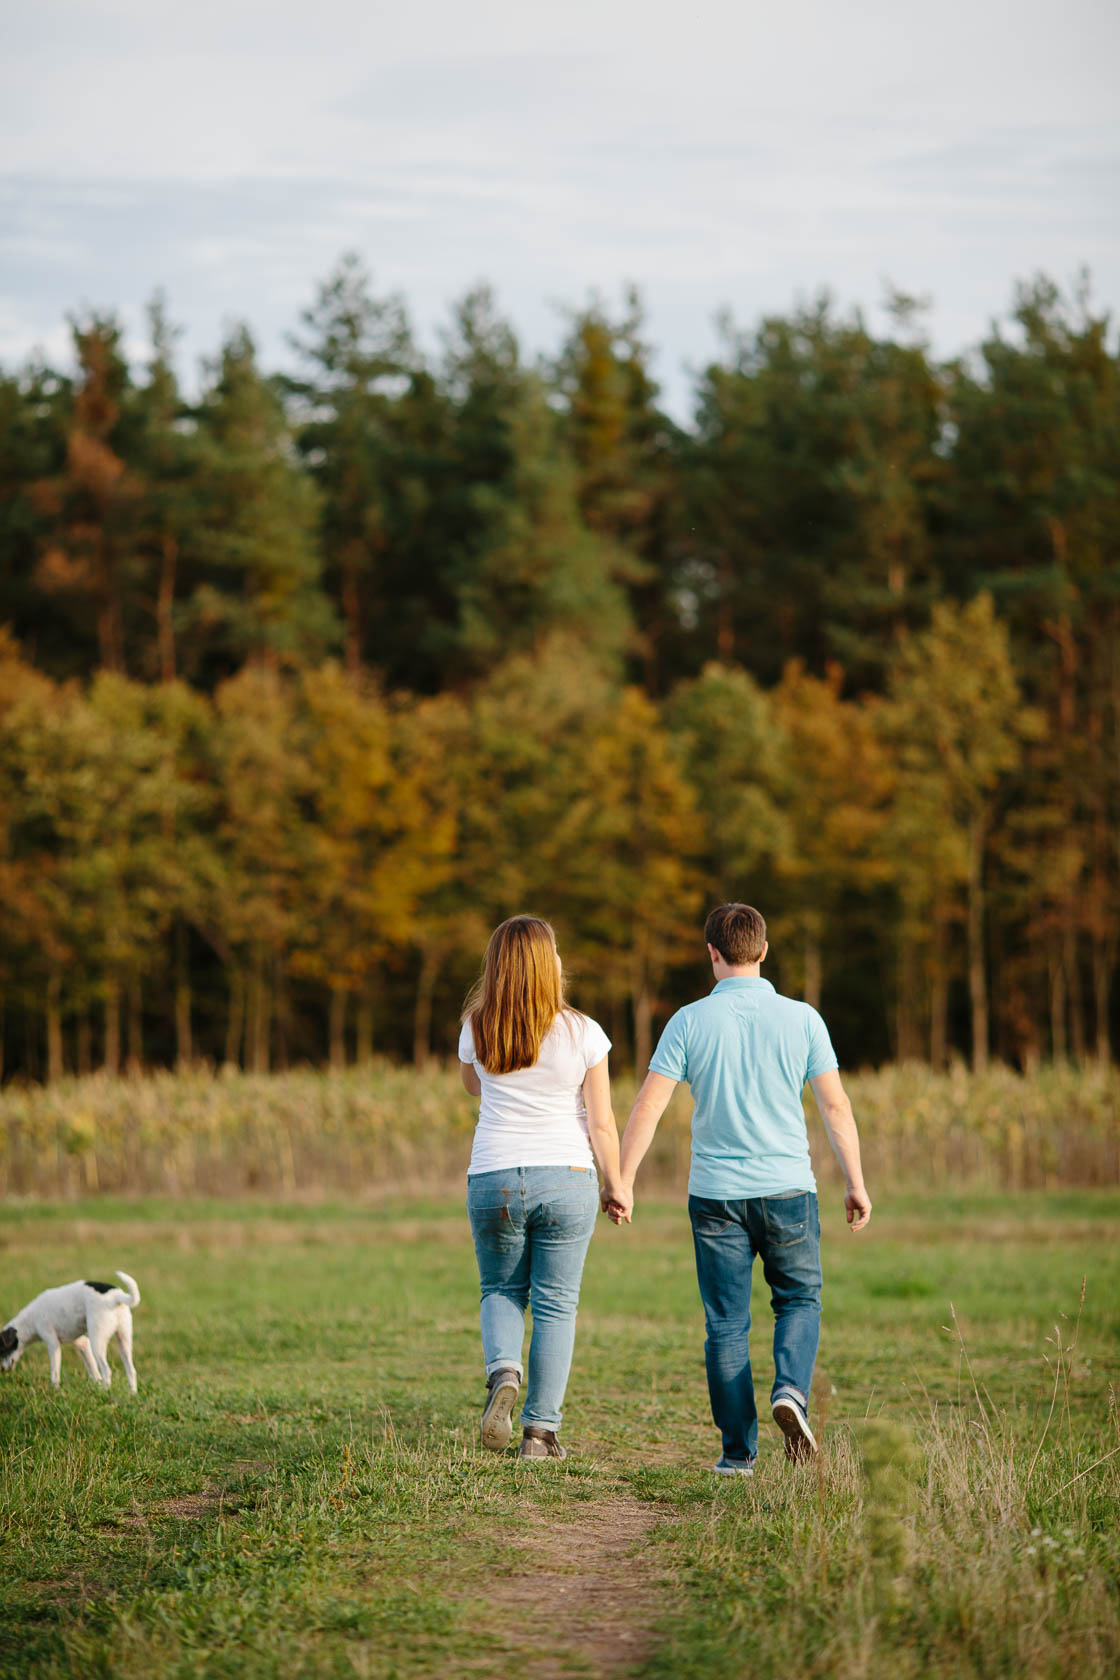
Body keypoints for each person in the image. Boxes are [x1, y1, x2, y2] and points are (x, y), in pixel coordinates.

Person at [606, 903, 871, 1476]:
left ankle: (736, 1456)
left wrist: (622, 1181)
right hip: (788, 1191)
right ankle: (791, 1393)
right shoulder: (804, 1019)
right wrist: (855, 1181)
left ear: (712, 953)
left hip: (715, 1196)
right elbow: (835, 1105)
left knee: (725, 1324)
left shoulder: (688, 1020)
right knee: (799, 1300)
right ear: (764, 951)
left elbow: (649, 1105)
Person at [459, 914, 625, 1461]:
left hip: (494, 1176)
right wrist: (616, 1183)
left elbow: (472, 1086)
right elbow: (601, 1123)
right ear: (548, 965)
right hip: (568, 1176)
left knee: (501, 1289)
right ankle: (539, 1435)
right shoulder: (583, 1032)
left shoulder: (478, 1025)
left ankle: (504, 1368)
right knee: (557, 1305)